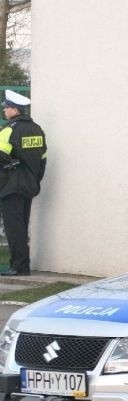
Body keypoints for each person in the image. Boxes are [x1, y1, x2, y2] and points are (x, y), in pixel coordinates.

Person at [0, 89, 47, 276]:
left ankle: (18, 267)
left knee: (14, 228)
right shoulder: (37, 129)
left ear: (15, 109)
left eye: (6, 108)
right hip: (30, 185)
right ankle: (22, 266)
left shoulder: (9, 129)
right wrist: (34, 179)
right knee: (22, 225)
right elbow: (42, 159)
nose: (4, 111)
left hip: (10, 186)